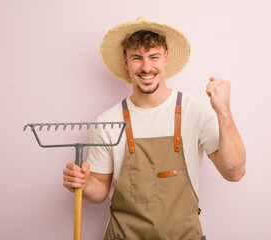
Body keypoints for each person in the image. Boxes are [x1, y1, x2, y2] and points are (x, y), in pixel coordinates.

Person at [63, 16, 246, 240]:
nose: (146, 67)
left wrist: (223, 111)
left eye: (153, 57)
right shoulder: (108, 122)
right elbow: (99, 190)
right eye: (137, 58)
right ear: (126, 61)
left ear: (166, 58)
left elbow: (234, 173)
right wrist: (83, 183)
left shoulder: (195, 111)